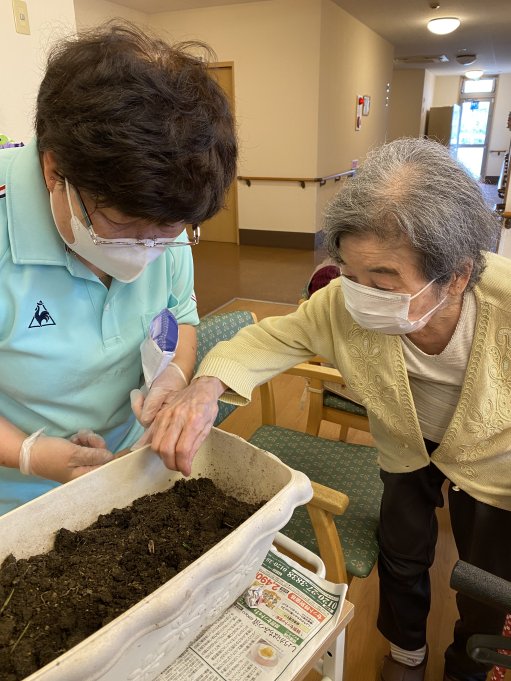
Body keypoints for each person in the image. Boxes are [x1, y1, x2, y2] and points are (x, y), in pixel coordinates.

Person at [139, 137, 511, 681]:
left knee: (487, 574)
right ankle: (407, 652)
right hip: (407, 444)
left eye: (382, 282)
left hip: (496, 462)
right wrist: (205, 387)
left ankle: (465, 668)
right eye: (350, 275)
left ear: (455, 276)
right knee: (403, 552)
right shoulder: (341, 304)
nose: (358, 296)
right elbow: (270, 340)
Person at [0, 22, 237, 515]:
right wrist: (31, 453)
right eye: (123, 225)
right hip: (18, 498)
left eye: (167, 232)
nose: (146, 251)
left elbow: (183, 320)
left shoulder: (166, 206)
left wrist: (174, 375)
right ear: (53, 171)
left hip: (131, 462)